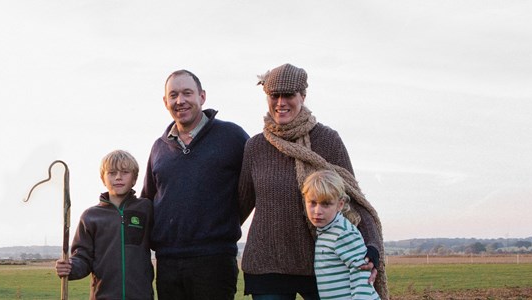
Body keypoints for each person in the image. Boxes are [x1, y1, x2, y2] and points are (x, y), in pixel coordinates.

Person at [238, 63, 387, 299]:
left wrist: (373, 247)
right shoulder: (255, 146)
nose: (280, 103)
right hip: (267, 264)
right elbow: (240, 205)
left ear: (303, 96)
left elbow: (354, 199)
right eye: (274, 95)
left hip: (322, 264)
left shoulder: (327, 140)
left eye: (288, 95)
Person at [142, 69, 249, 299]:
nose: (180, 101)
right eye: (173, 95)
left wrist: (222, 221)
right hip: (168, 262)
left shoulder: (232, 136)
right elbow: (147, 201)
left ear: (202, 96)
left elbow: (252, 189)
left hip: (214, 259)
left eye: (187, 93)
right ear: (165, 102)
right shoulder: (159, 147)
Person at [55, 150, 154, 300]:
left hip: (141, 296)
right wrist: (71, 267)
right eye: (112, 173)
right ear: (103, 179)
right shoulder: (91, 216)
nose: (118, 177)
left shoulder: (146, 209)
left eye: (125, 172)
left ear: (134, 179)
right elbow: (82, 257)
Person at [302, 170, 380, 300]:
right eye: (312, 203)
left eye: (326, 204)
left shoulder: (344, 233)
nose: (317, 211)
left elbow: (361, 274)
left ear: (340, 204)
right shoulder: (325, 231)